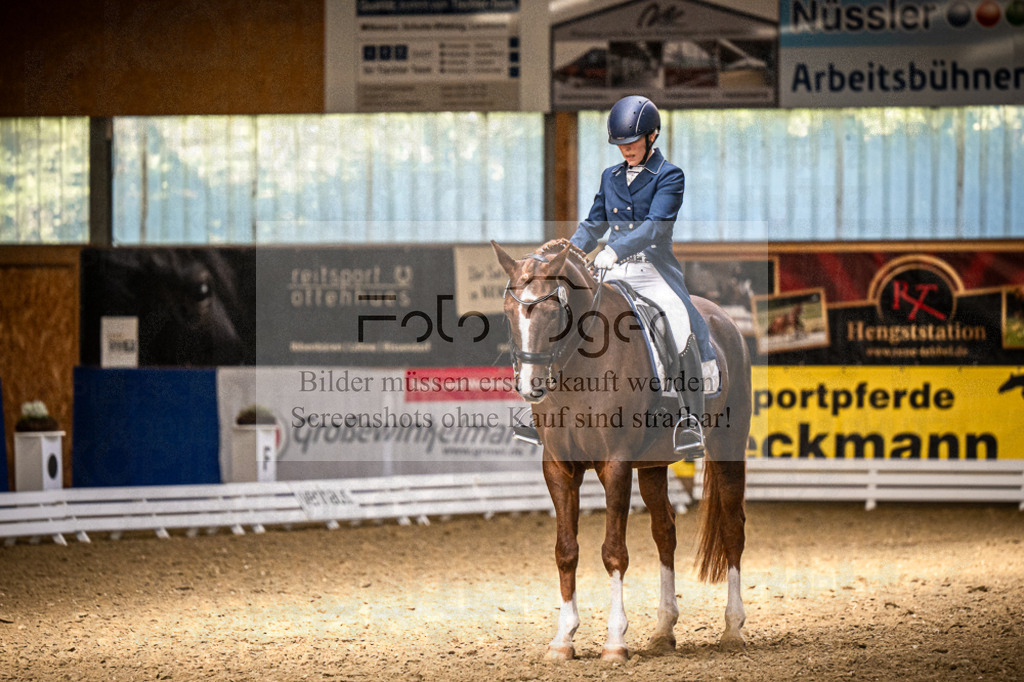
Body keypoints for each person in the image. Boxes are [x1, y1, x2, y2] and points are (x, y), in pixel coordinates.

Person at [570, 94, 718, 455]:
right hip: (612, 268)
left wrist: (614, 249)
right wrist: (568, 254)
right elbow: (593, 224)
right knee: (567, 314)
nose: (626, 150)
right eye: (620, 144)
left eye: (632, 142)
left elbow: (655, 226)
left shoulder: (669, 176)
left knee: (678, 320)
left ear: (651, 136)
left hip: (652, 270)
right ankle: (545, 409)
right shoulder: (610, 177)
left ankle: (690, 420)